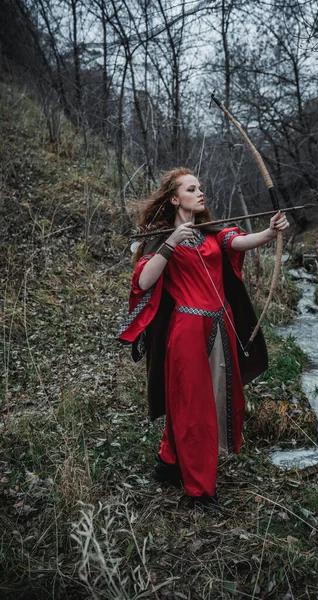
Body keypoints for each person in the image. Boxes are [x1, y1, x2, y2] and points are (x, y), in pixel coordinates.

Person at [117, 167, 290, 512]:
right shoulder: (164, 236)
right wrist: (171, 243)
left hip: (219, 329)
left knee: (209, 400)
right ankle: (199, 491)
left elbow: (238, 241)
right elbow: (145, 281)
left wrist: (270, 233)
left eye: (200, 186)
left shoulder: (210, 233)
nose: (200, 192)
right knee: (193, 406)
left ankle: (168, 463)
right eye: (191, 188)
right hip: (187, 332)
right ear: (173, 198)